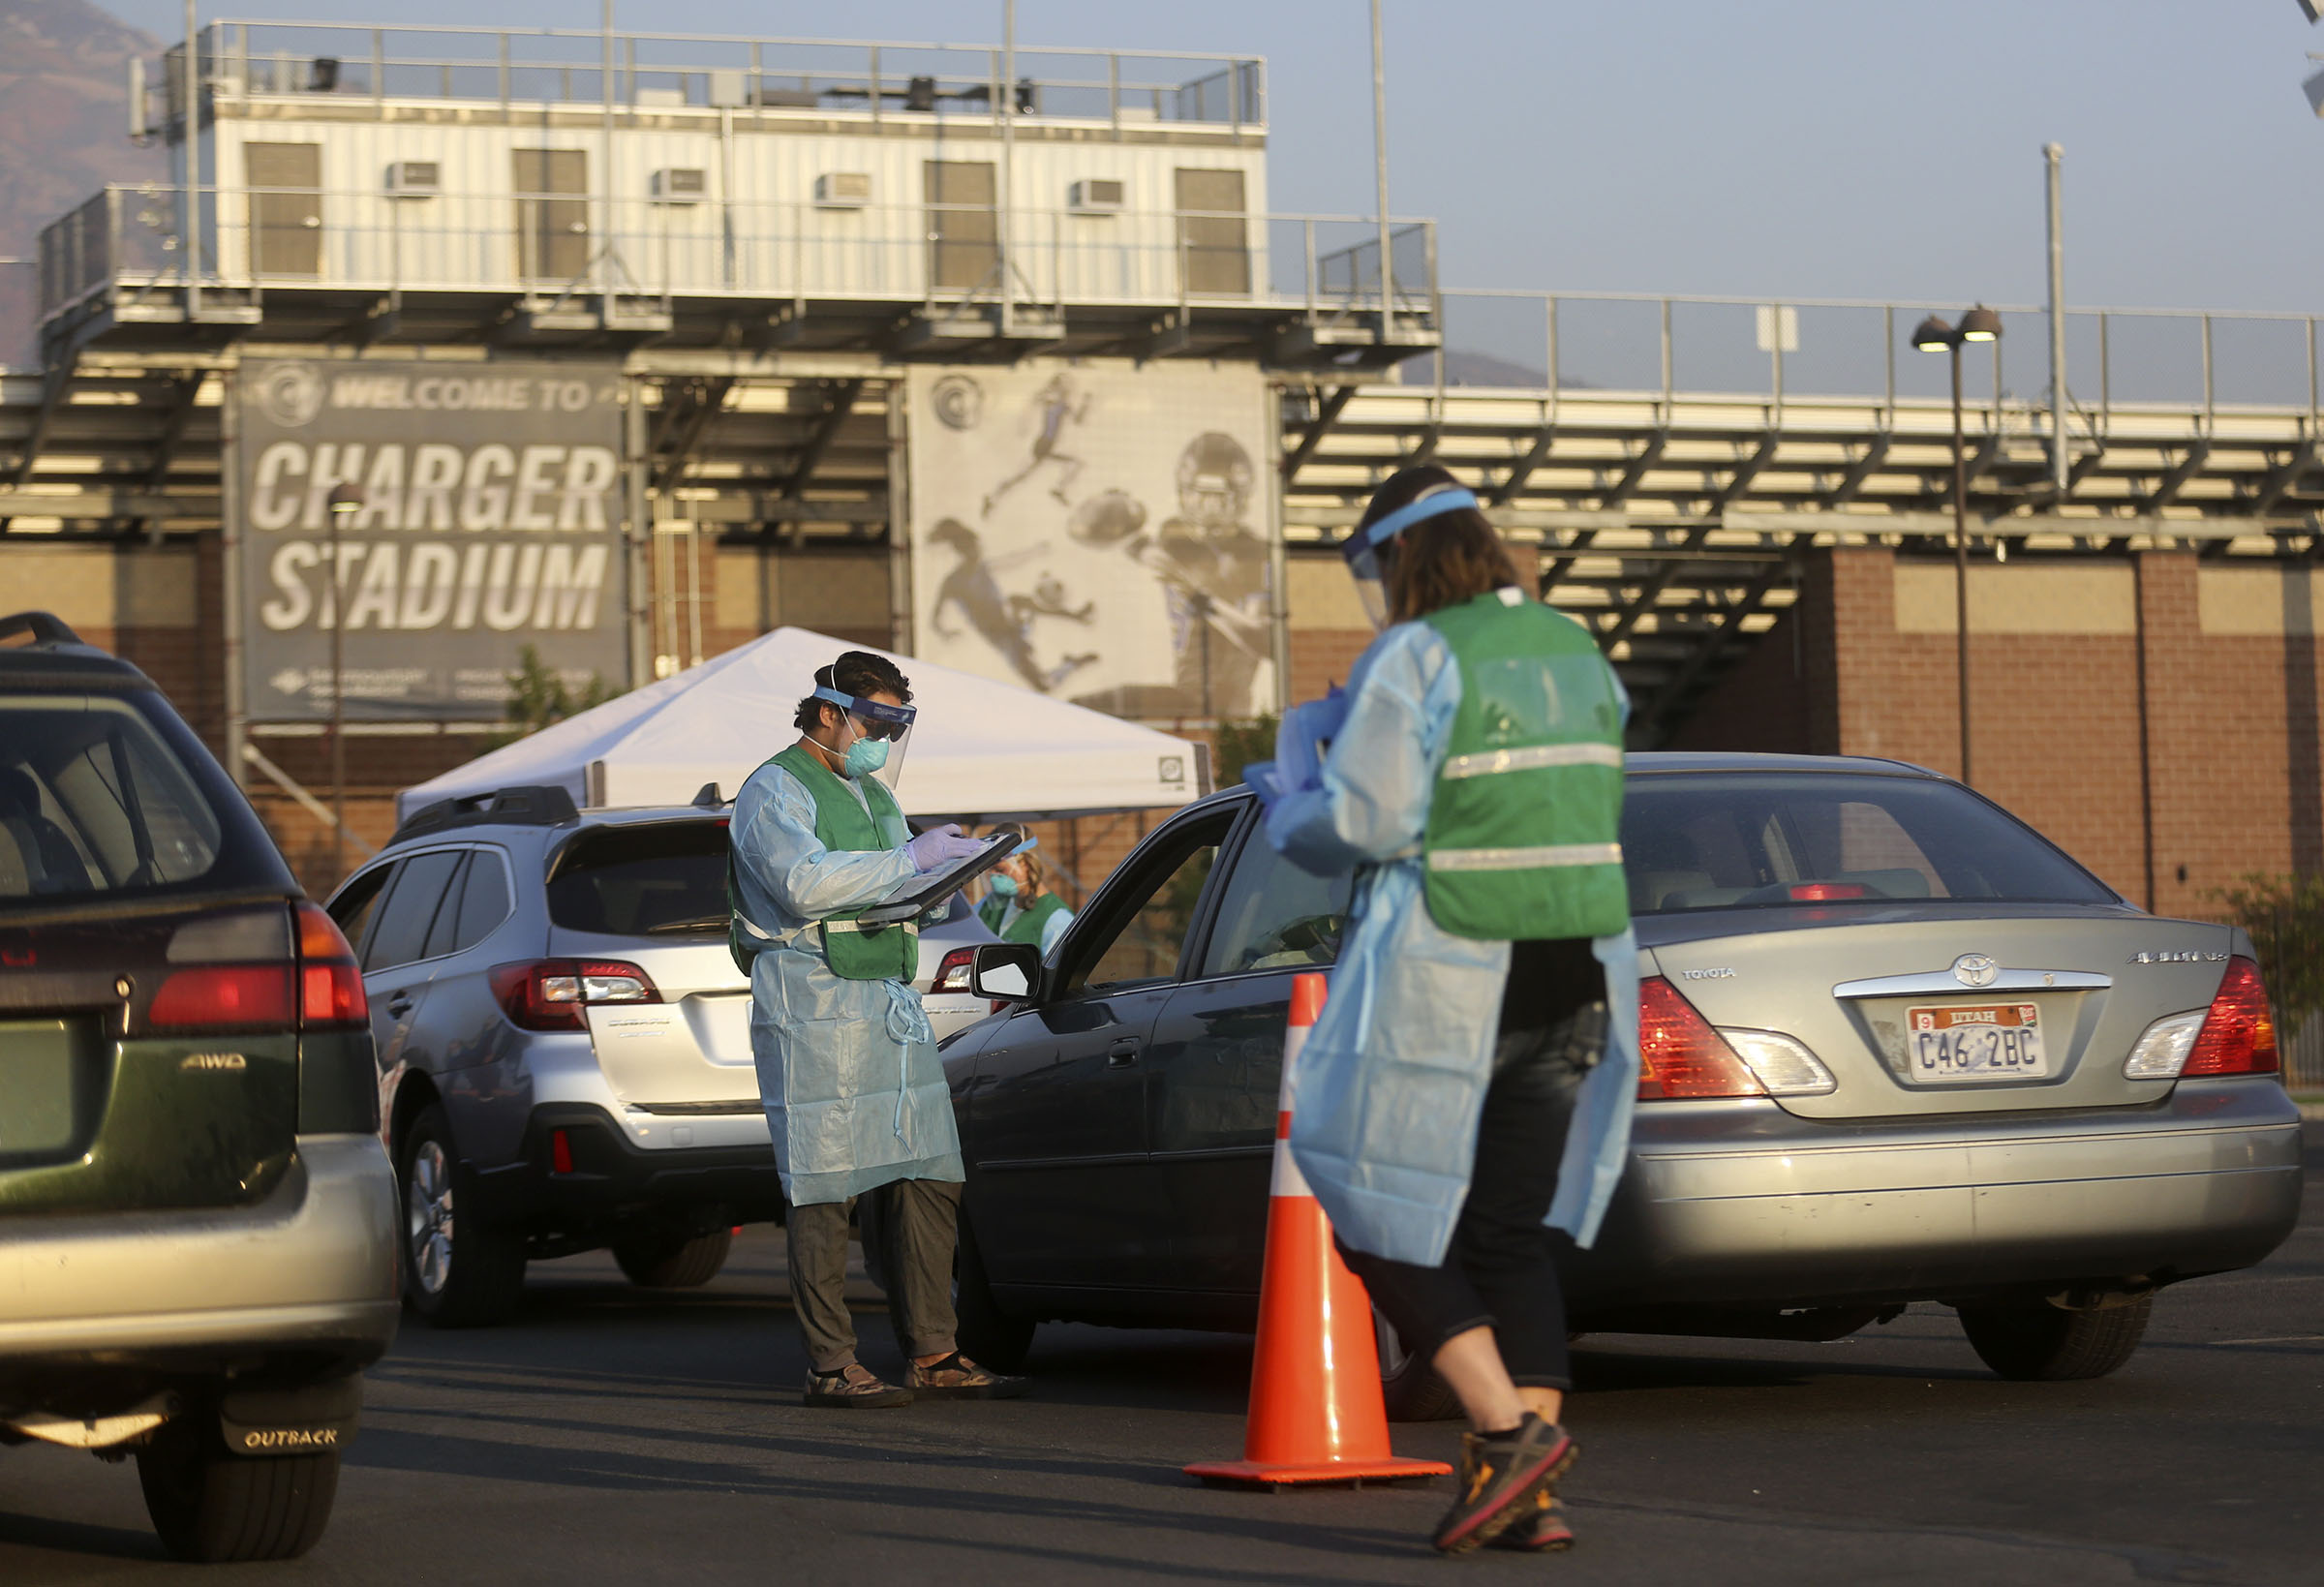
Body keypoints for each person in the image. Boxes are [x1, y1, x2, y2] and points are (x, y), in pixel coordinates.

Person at [1259, 467, 1640, 1555]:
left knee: (1361, 1190)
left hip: (1454, 974)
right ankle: (1532, 1490)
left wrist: (1289, 807)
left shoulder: (1416, 654)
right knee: (1508, 1234)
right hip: (1578, 969)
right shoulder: (1576, 646)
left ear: (1401, 557)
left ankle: (1508, 1432)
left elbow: (1369, 821)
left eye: (1374, 570)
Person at [728, 650, 1028, 1408]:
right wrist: (907, 859)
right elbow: (805, 884)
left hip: (886, 1005)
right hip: (814, 1003)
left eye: (897, 725)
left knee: (931, 1172)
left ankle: (935, 1349)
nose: (884, 740)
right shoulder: (773, 790)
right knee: (825, 1185)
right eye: (876, 721)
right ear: (828, 710)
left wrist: (955, 873)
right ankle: (831, 1362)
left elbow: (899, 887)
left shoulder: (873, 795)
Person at [975, 834, 1075, 958]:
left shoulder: (1057, 919)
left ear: (1026, 865)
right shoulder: (1001, 904)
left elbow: (1059, 973)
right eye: (991, 870)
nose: (993, 877)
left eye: (1000, 870)